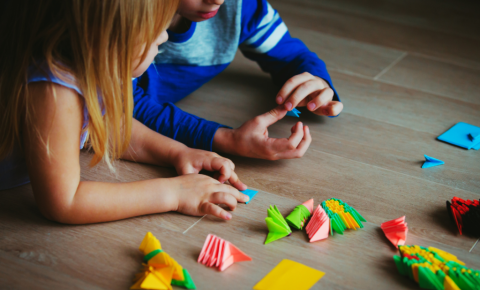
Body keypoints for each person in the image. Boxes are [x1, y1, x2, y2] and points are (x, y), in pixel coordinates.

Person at [0, 0, 249, 224]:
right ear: (109, 41)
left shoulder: (89, 63)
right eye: (155, 32)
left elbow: (108, 126)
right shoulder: (53, 91)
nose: (164, 38)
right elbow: (65, 202)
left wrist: (178, 153)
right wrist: (175, 193)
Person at [134, 0, 342, 160]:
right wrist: (225, 139)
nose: (217, 0)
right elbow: (120, 107)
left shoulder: (241, 6)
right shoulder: (120, 18)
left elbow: (291, 55)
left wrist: (315, 81)